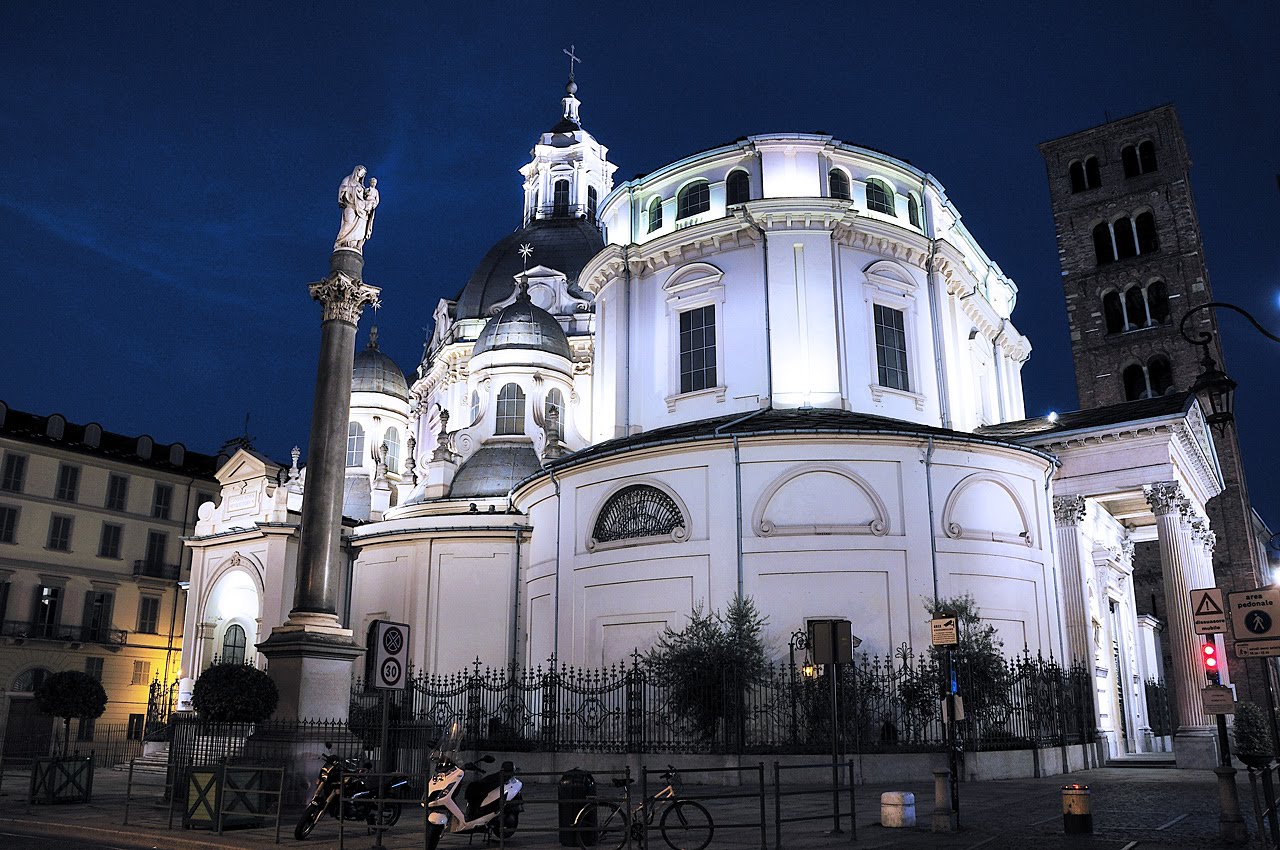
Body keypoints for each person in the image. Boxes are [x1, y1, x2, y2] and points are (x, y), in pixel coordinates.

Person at [334, 165, 369, 250]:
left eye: (363, 174)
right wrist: (354, 189)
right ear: (357, 170)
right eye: (361, 172)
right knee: (348, 223)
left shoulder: (361, 185)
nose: (362, 175)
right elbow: (342, 188)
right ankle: (340, 242)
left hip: (360, 210)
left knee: (359, 228)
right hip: (350, 206)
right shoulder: (348, 179)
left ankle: (353, 245)